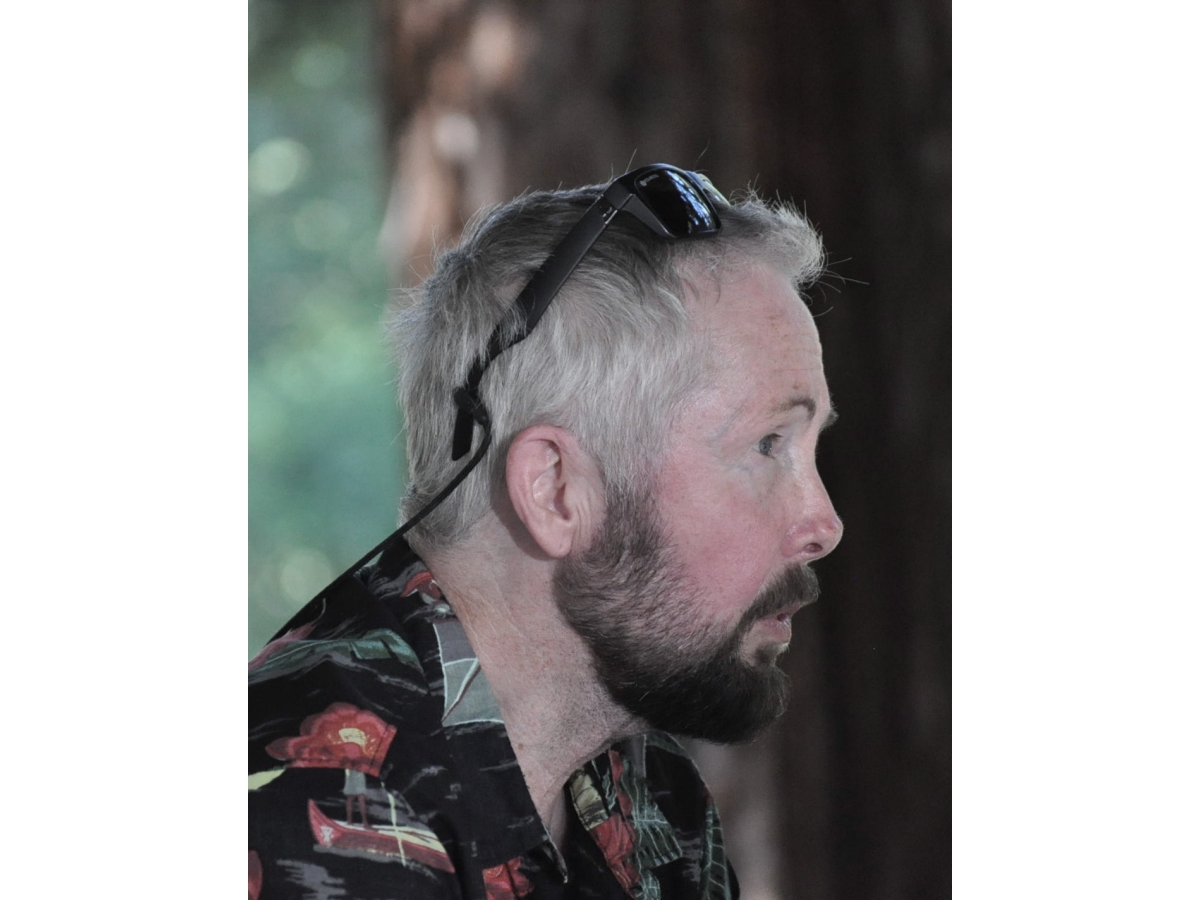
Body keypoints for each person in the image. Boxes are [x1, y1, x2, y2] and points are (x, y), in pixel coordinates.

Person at [248, 164, 843, 900]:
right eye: (768, 445)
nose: (823, 524)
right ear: (555, 490)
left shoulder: (646, 791)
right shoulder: (312, 812)